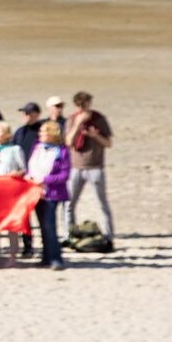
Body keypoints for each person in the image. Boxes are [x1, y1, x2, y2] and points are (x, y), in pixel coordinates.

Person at [65, 91, 114, 243]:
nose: (84, 107)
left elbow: (108, 143)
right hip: (76, 167)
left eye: (86, 104)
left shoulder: (99, 119)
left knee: (102, 203)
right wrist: (78, 124)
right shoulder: (72, 119)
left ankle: (108, 236)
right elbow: (68, 142)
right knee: (69, 204)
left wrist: (95, 136)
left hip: (95, 167)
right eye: (80, 105)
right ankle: (69, 234)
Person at [25, 119, 72, 269]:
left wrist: (44, 179)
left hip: (51, 193)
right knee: (42, 226)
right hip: (35, 192)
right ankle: (46, 257)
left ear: (52, 133)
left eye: (44, 132)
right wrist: (29, 176)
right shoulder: (37, 147)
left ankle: (56, 258)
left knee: (49, 225)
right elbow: (31, 166)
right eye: (40, 132)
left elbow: (64, 175)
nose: (41, 134)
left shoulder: (62, 151)